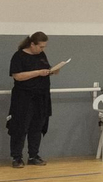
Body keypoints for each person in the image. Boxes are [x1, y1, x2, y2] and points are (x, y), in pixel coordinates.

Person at [8, 31, 64, 167]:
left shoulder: (41, 55)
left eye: (44, 47)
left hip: (41, 97)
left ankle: (33, 155)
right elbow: (17, 76)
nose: (42, 49)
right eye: (40, 47)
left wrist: (53, 71)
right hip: (24, 97)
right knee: (20, 127)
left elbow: (45, 69)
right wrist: (38, 72)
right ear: (32, 44)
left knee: (37, 127)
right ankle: (17, 157)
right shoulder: (19, 56)